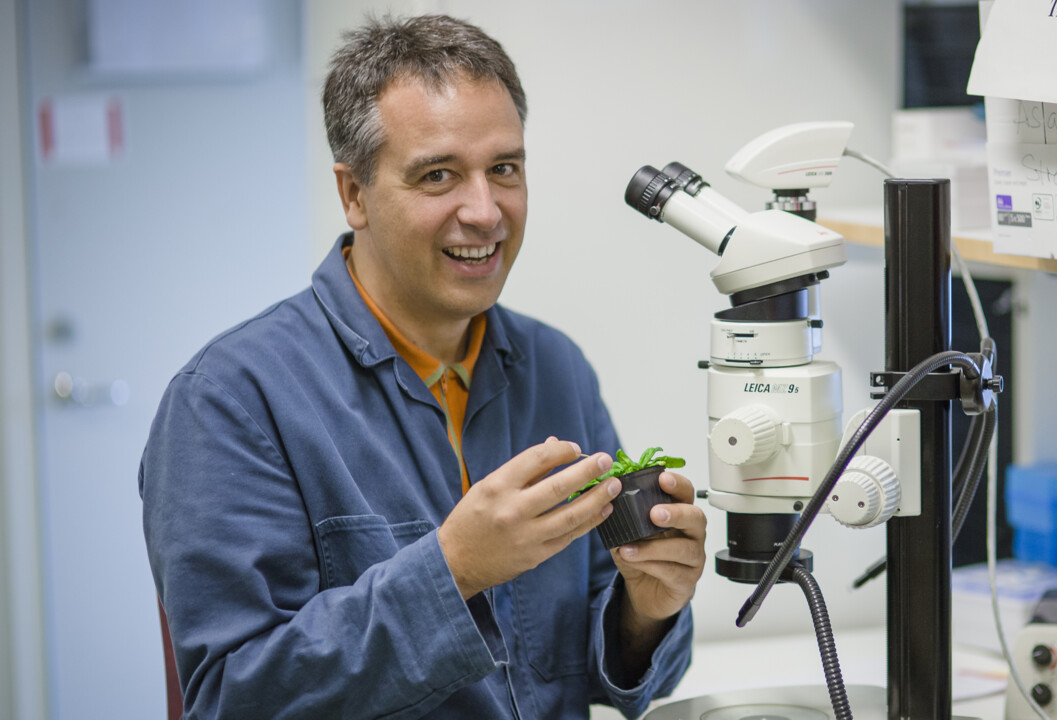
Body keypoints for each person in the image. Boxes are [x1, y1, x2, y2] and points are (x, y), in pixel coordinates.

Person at [139, 14, 706, 719]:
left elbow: (601, 662)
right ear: (355, 195)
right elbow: (233, 699)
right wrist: (454, 569)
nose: (485, 211)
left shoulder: (556, 367)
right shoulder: (228, 402)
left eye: (504, 169)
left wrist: (646, 609)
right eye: (438, 176)